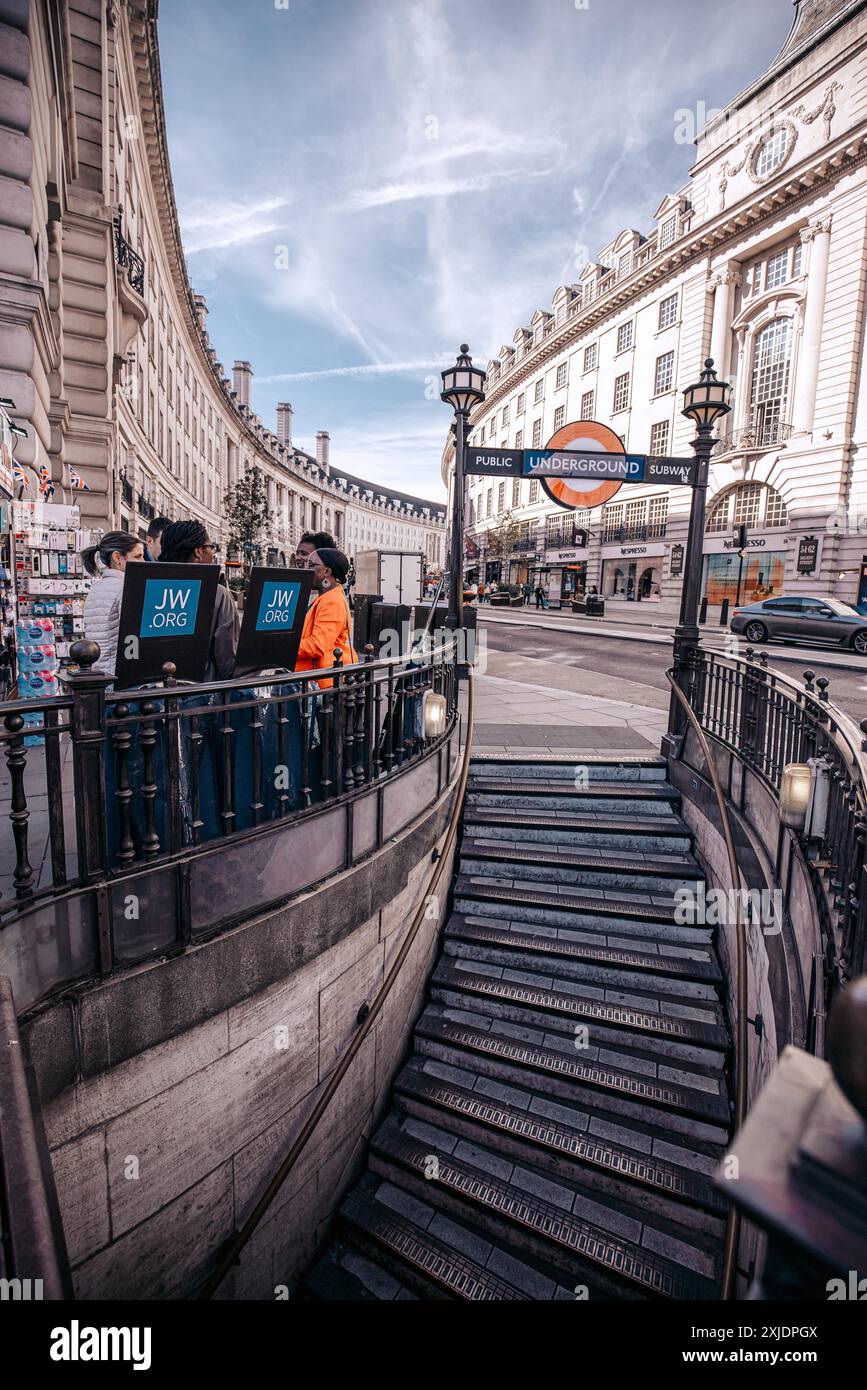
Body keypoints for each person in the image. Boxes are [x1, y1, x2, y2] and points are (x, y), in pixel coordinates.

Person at [158, 520, 239, 680]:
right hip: (201, 693)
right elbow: (228, 660)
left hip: (156, 697)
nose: (213, 553)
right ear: (198, 552)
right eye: (211, 547)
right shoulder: (218, 595)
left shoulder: (152, 590)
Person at [82, 531, 145, 676]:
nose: (143, 562)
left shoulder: (96, 588)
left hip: (100, 673)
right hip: (122, 676)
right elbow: (134, 637)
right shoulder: (127, 588)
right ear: (117, 557)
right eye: (138, 556)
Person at [295, 548, 357, 689]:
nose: (306, 569)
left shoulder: (332, 601)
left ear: (327, 572)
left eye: (311, 565)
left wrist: (283, 646)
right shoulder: (324, 598)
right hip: (314, 680)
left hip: (322, 684)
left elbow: (317, 645)